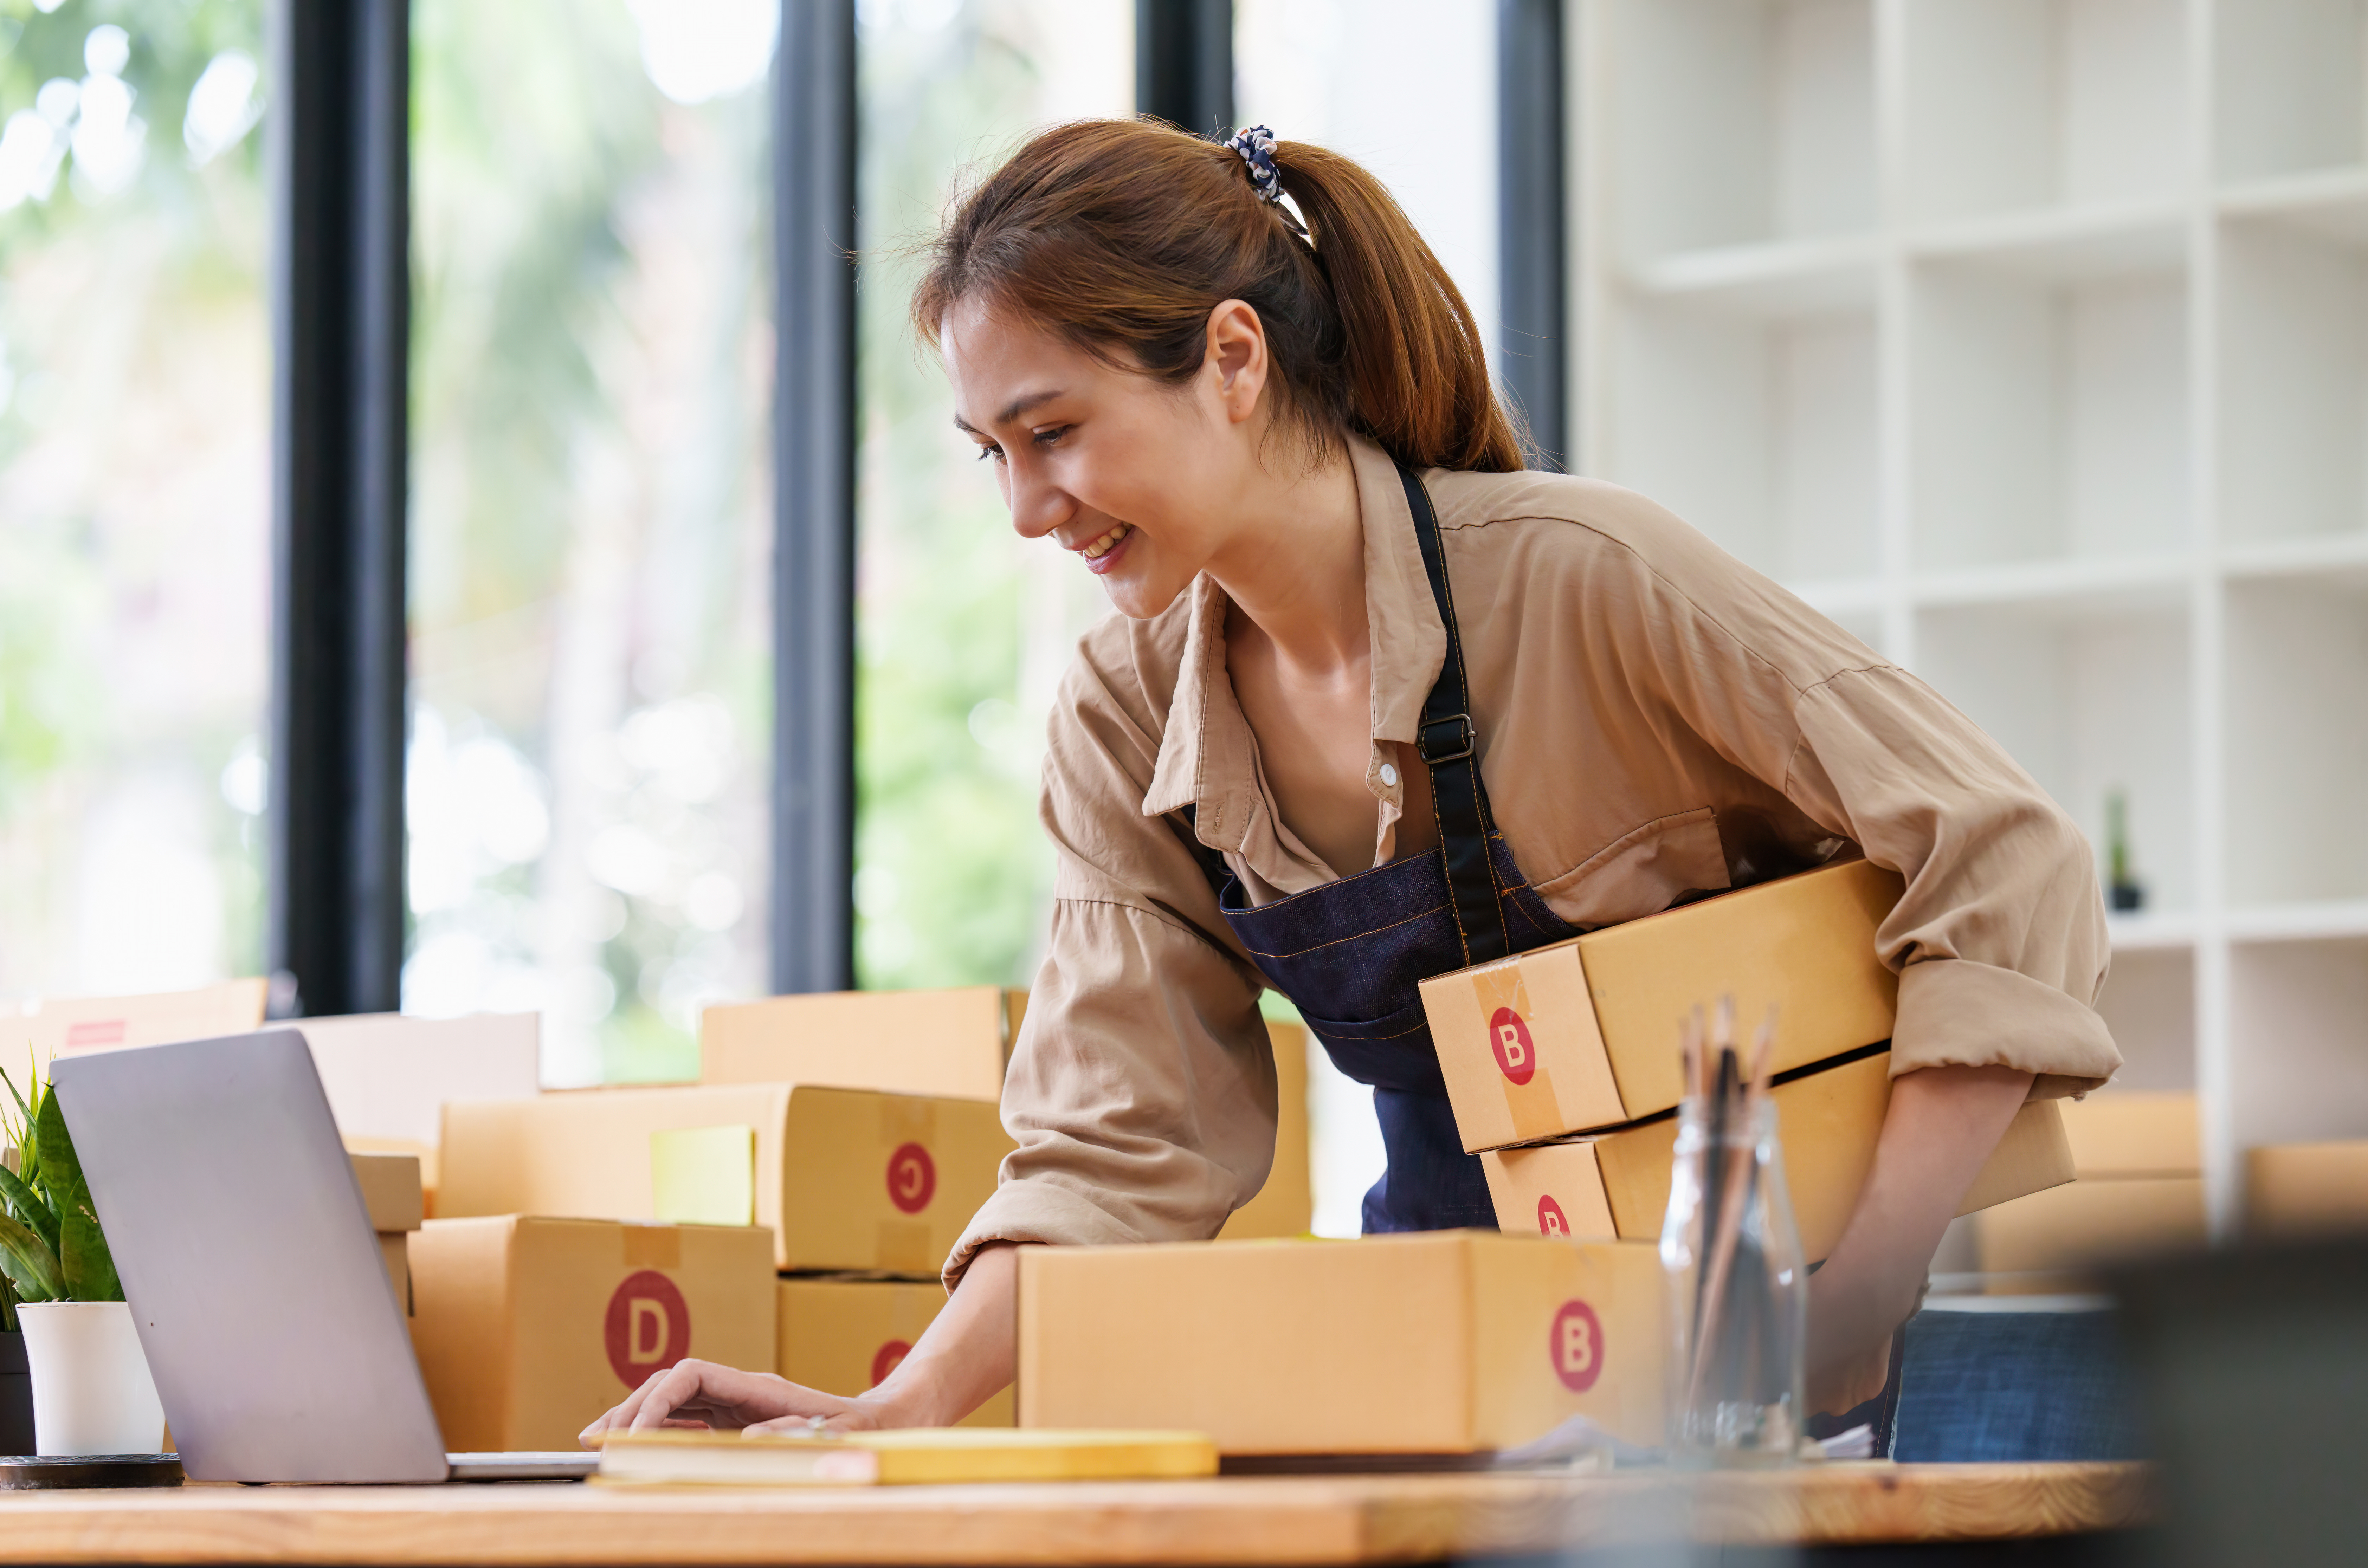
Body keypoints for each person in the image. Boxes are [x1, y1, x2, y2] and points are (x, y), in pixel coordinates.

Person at [581, 119, 2120, 1446]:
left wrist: (1858, 1293)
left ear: (1234, 358)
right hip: (1450, 1355)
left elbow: (2006, 861)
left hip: (1770, 1356)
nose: (1030, 509)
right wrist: (896, 1408)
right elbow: (1121, 1140)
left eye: (1055, 432)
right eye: (994, 452)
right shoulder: (1127, 714)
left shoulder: (1586, 580)